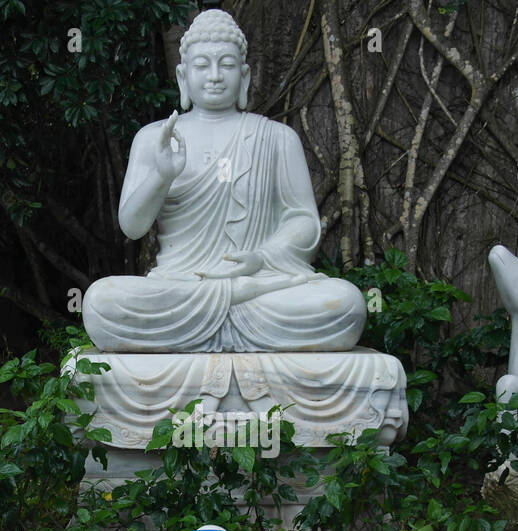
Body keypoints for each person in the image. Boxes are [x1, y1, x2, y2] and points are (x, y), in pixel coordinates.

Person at [82, 9, 366, 353]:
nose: (215, 76)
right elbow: (132, 226)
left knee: (347, 304)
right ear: (182, 77)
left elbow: (302, 221)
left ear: (244, 76)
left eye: (227, 65)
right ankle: (231, 321)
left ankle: (220, 322)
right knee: (101, 302)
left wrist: (260, 259)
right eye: (202, 66)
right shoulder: (154, 138)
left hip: (260, 289)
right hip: (184, 289)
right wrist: (162, 175)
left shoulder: (277, 138)